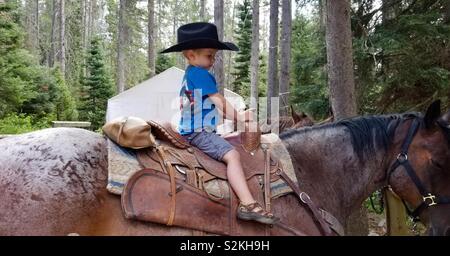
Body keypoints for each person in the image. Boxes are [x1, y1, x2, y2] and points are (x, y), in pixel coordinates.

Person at [161, 22, 279, 225]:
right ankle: (247, 203)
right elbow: (219, 101)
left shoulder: (190, 74)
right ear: (190, 55)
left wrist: (237, 114)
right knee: (233, 156)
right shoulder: (200, 74)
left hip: (196, 127)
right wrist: (240, 118)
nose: (213, 60)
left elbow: (207, 108)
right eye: (209, 55)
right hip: (198, 132)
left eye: (214, 56)